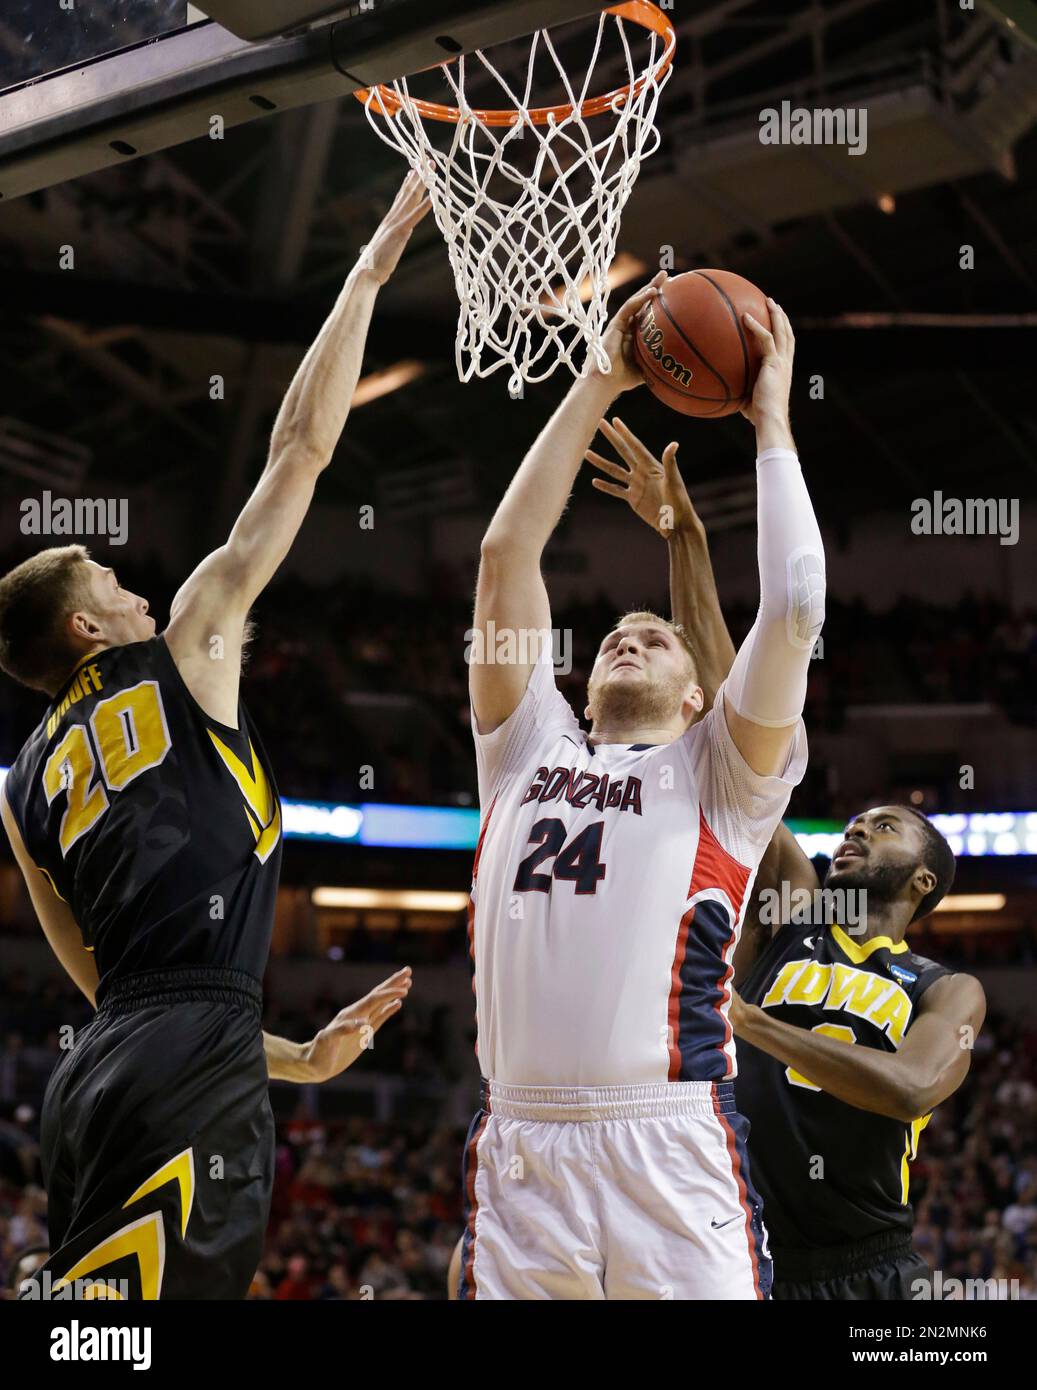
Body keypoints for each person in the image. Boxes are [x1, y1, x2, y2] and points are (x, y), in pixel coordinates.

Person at [0, 175, 429, 1300]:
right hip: (182, 1057)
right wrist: (370, 266)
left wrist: (293, 1057)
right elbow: (300, 450)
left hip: (100, 1078)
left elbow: (112, 986)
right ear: (87, 626)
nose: (140, 590)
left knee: (110, 1317)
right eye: (111, 581)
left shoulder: (20, 781)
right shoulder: (188, 643)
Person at [460, 280, 824, 1299]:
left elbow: (793, 606)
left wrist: (769, 420)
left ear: (700, 691)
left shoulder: (721, 774)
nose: (628, 634)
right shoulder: (524, 750)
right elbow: (503, 555)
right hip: (522, 1144)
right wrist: (600, 376)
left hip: (667, 1141)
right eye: (614, 635)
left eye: (654, 635)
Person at [589, 416, 987, 1301]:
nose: (856, 829)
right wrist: (683, 538)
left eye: (884, 827)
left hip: (871, 1266)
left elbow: (914, 1089)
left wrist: (744, 1020)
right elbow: (733, 710)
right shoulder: (798, 913)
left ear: (922, 881)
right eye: (855, 820)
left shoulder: (945, 989)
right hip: (735, 1253)